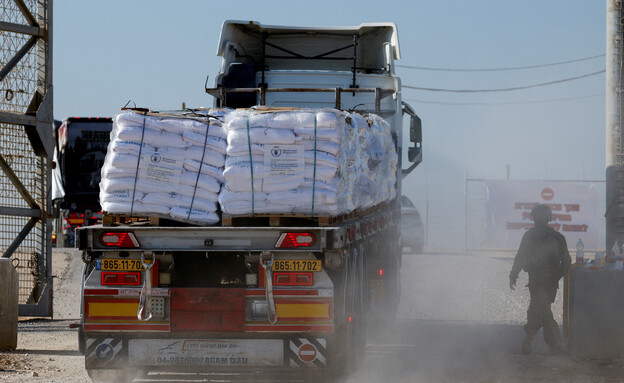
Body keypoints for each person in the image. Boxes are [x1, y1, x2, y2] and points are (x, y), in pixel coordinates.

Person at [509, 204, 571, 354]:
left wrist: (514, 274)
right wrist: (556, 276)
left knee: (540, 311)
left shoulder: (530, 236)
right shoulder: (557, 237)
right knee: (540, 311)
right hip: (545, 282)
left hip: (538, 281)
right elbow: (567, 262)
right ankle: (551, 345)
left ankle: (541, 344)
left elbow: (520, 257)